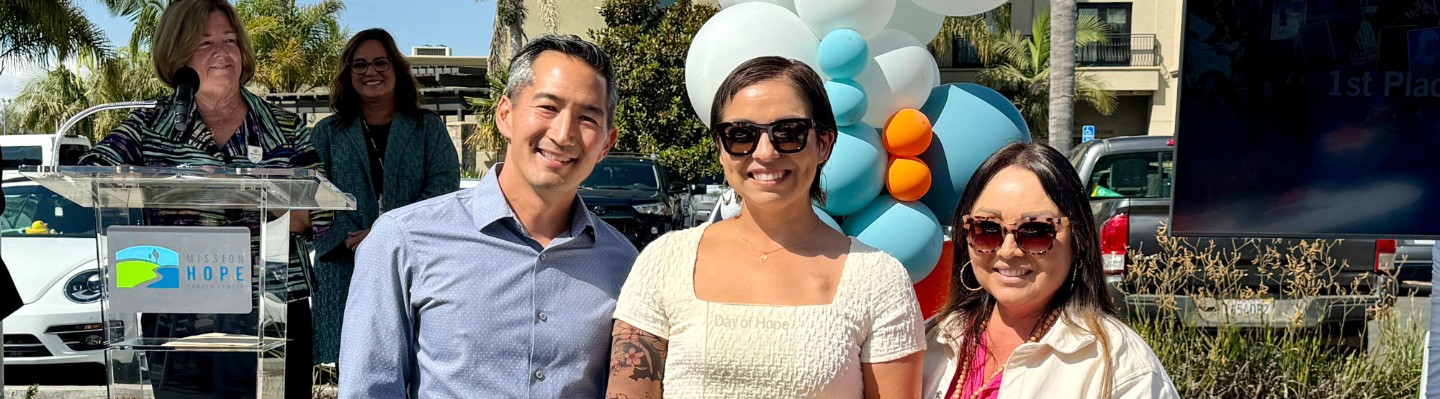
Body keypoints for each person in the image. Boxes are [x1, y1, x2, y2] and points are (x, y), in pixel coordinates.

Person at [606, 56, 925, 399]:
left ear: (824, 144)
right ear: (721, 149)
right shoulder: (664, 262)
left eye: (789, 133)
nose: (766, 152)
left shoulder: (878, 279)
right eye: (740, 135)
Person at [338, 34, 637, 397]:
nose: (563, 134)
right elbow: (368, 389)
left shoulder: (623, 264)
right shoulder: (404, 240)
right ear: (505, 115)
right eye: (547, 107)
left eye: (588, 117)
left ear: (607, 143)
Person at [77, 0, 321, 396]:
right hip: (178, 313)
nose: (222, 53)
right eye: (205, 43)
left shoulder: (285, 126)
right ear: (177, 54)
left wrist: (240, 189)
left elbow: (312, 215)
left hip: (274, 311)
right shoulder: (149, 127)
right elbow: (94, 175)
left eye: (230, 40)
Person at [922, 142, 1177, 398]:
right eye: (987, 229)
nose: (1008, 251)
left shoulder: (1123, 368)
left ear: (1078, 240)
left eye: (1036, 231)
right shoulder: (931, 339)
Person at [309, 28, 460, 367]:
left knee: (416, 364)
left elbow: (444, 190)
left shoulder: (427, 128)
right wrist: (351, 238)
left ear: (396, 68)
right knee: (354, 367)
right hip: (346, 263)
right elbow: (313, 195)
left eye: (380, 62)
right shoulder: (327, 133)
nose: (370, 72)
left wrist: (386, 235)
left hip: (416, 264)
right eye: (359, 65)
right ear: (348, 74)